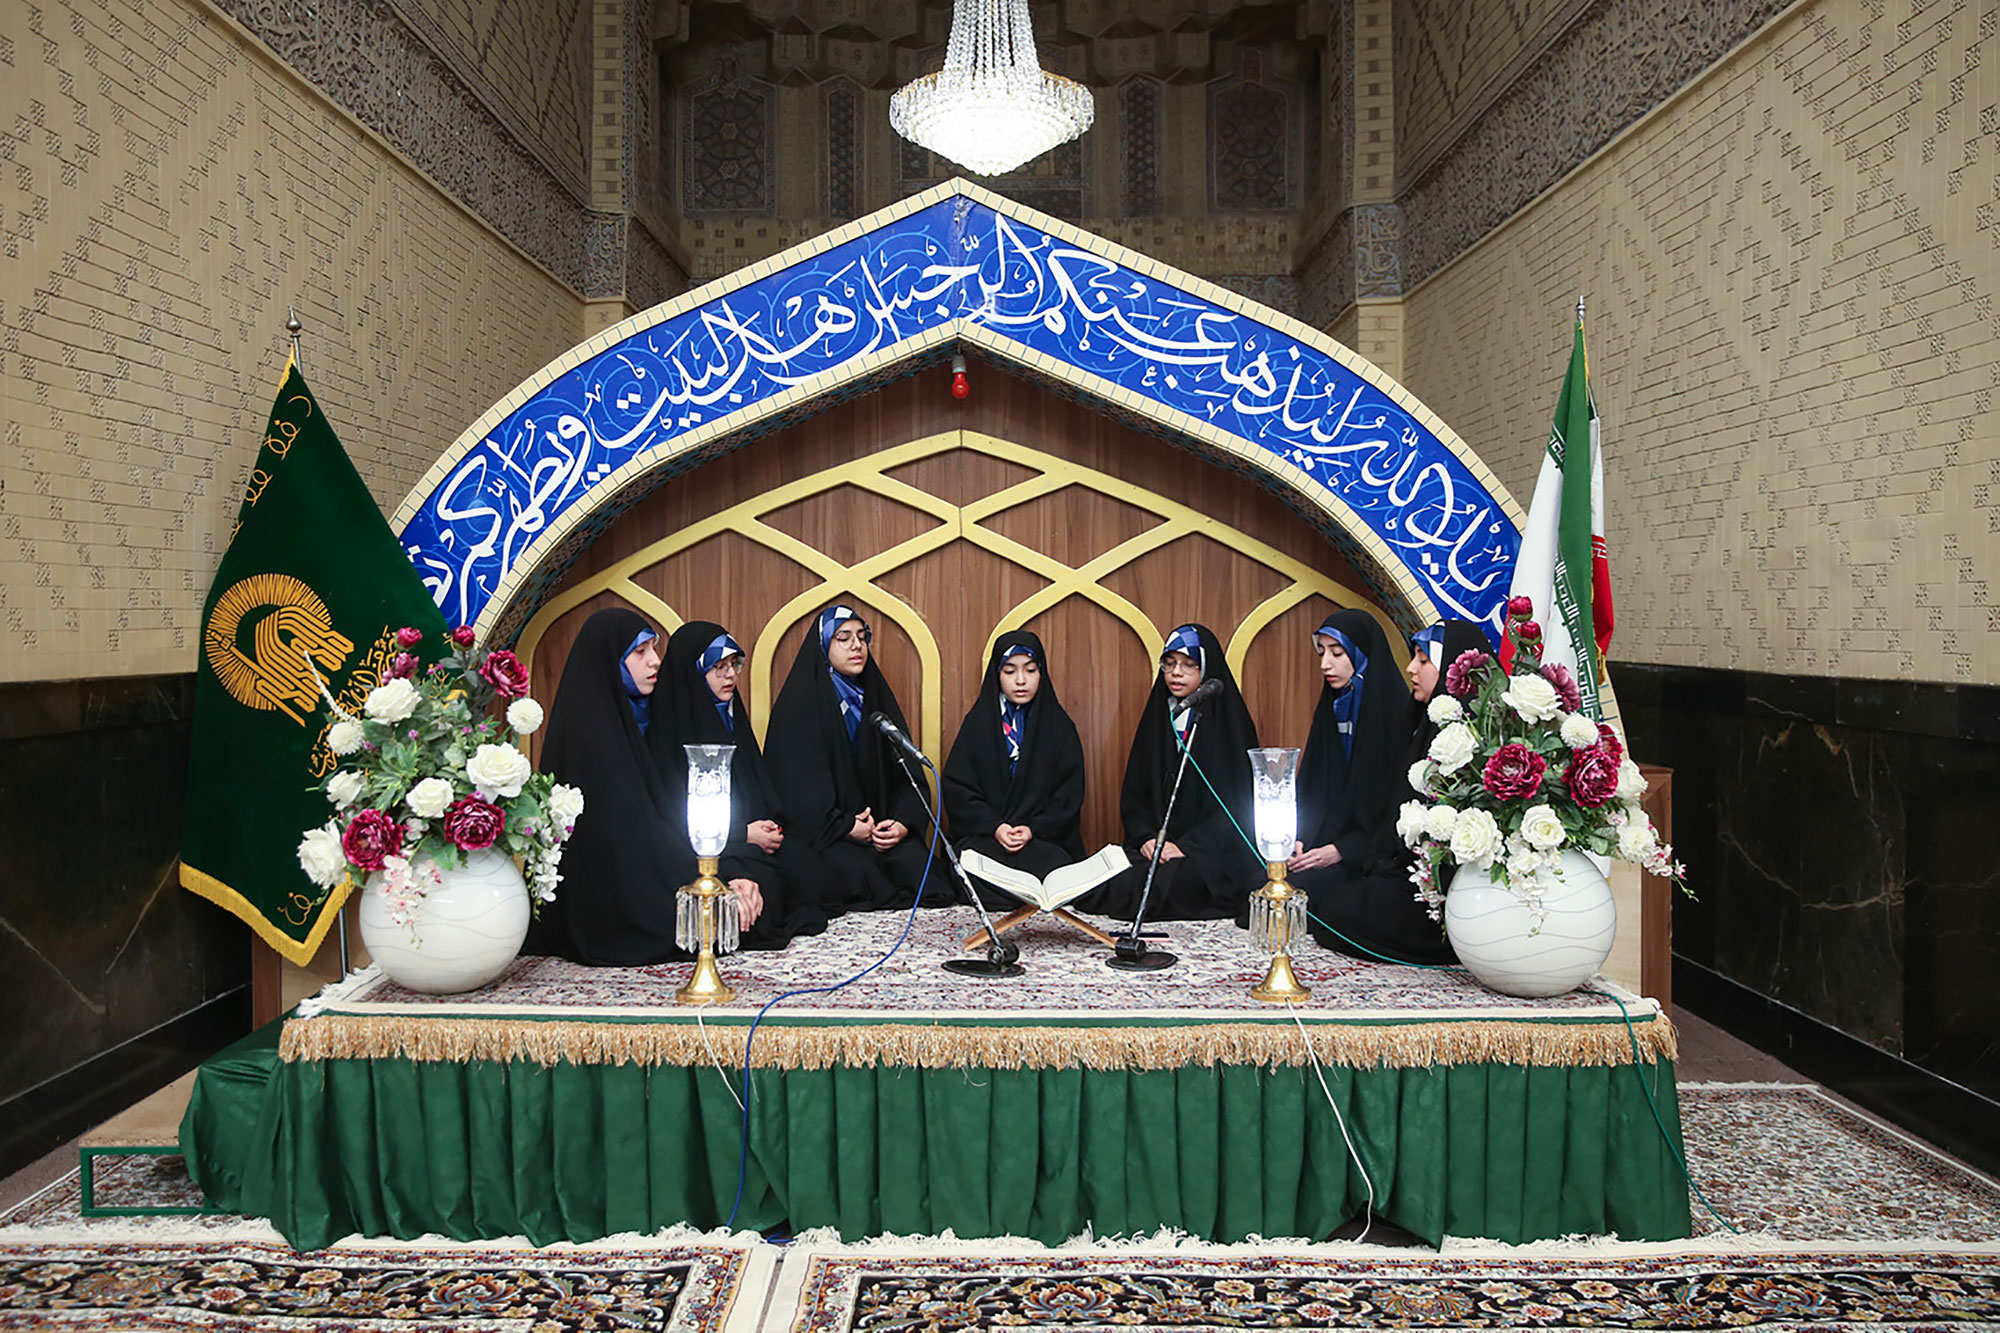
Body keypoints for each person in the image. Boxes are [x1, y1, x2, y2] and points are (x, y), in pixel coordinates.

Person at [526, 606, 760, 966]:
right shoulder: (591, 732)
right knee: (725, 921)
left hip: (651, 862)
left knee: (753, 900)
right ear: (611, 659)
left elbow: (663, 818)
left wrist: (725, 875)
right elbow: (634, 838)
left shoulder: (641, 715)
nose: (655, 662)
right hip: (612, 895)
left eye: (654, 649)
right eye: (640, 652)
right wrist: (719, 883)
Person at [648, 621, 830, 950]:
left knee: (812, 872)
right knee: (763, 896)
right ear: (694, 672)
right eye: (718, 667)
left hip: (748, 839)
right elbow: (671, 811)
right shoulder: (669, 726)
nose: (730, 675)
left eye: (733, 665)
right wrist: (742, 833)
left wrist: (767, 824)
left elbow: (755, 782)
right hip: (698, 848)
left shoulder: (729, 714)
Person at [1288, 608, 1455, 964]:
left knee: (1327, 905)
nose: (1325, 665)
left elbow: (1388, 808)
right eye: (1322, 653)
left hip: (1383, 860)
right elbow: (1314, 790)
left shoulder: (1400, 715)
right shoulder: (1333, 706)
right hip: (1355, 851)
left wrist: (1343, 850)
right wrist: (1299, 837)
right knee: (1271, 889)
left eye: (1337, 653)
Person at [1077, 624, 1262, 921]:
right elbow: (1135, 793)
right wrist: (1147, 837)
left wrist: (1185, 847)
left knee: (1155, 887)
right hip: (1155, 847)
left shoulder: (1232, 726)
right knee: (1105, 876)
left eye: (1189, 665)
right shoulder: (1158, 716)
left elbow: (1237, 807)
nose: (1176, 673)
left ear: (1207, 668)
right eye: (1170, 663)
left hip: (1208, 854)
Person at [763, 604, 933, 913]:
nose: (856, 645)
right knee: (855, 874)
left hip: (879, 830)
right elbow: (796, 790)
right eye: (843, 638)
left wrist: (901, 824)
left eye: (861, 637)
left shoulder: (876, 696)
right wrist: (846, 827)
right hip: (829, 834)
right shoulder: (799, 704)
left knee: (926, 872)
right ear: (823, 645)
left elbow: (908, 775)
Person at [941, 632, 1087, 905]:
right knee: (965, 865)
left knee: (1058, 867)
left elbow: (1068, 795)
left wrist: (1032, 829)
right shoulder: (977, 725)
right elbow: (959, 790)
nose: (1021, 680)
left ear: (1041, 673)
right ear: (997, 674)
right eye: (1010, 671)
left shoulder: (1059, 727)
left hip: (1040, 841)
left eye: (1030, 670)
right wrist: (995, 827)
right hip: (989, 840)